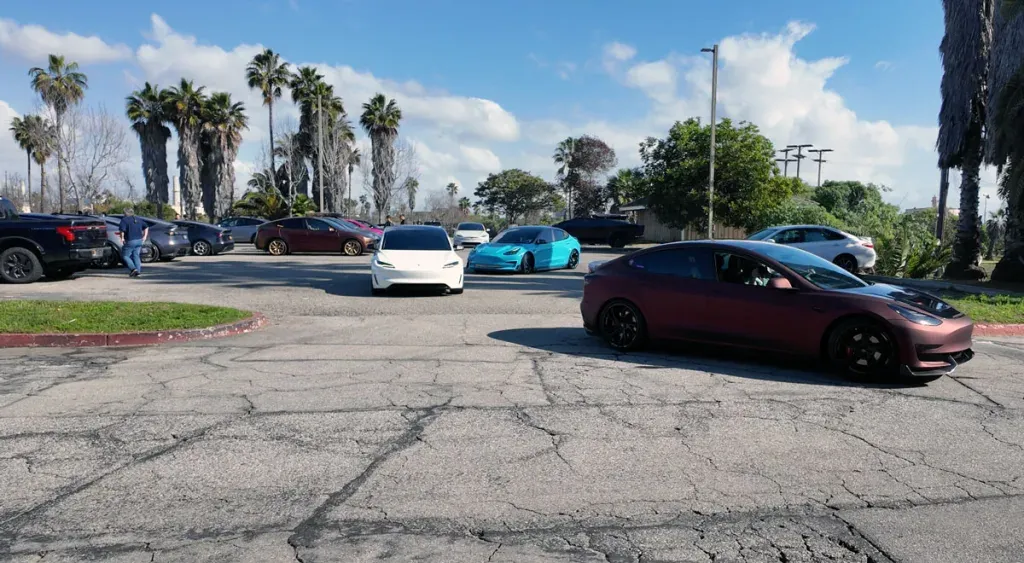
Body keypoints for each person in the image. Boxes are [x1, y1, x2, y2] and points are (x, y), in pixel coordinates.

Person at [117, 208, 149, 278]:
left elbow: (122, 230)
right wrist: (145, 236)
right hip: (139, 240)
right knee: (136, 256)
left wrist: (122, 238)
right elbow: (146, 227)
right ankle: (138, 272)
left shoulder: (124, 220)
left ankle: (133, 269)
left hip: (130, 240)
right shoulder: (138, 219)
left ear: (125, 213)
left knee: (125, 256)